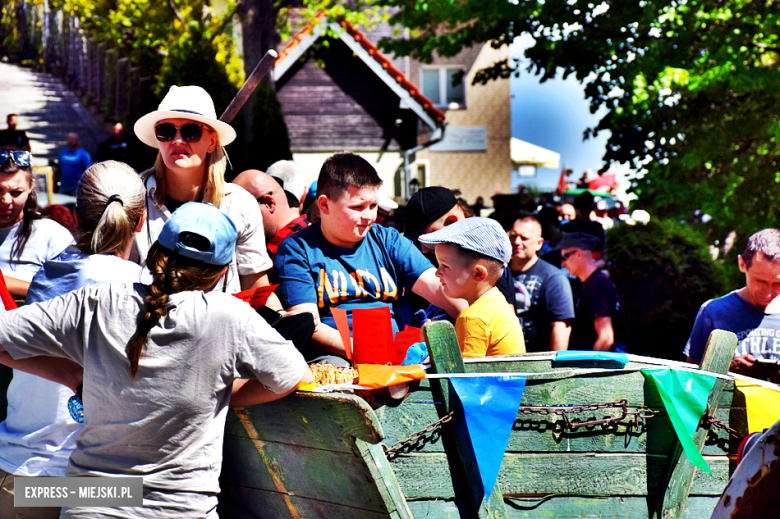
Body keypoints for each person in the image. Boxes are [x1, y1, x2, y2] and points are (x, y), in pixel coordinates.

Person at [0, 202, 311, 518]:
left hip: (82, 499)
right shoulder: (230, 316)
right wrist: (220, 396)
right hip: (178, 509)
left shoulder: (96, 302)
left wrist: (72, 376)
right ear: (221, 272)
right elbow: (293, 374)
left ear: (154, 254)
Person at [0, 160, 149, 519]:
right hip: (100, 482)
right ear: (140, 223)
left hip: (22, 473)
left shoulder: (45, 276)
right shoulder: (143, 291)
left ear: (78, 216)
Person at [272, 152, 466, 361]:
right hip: (338, 357)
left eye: (373, 206)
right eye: (358, 207)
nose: (369, 216)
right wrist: (366, 352)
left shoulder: (387, 240)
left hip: (399, 354)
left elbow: (438, 287)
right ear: (324, 205)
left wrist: (473, 319)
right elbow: (309, 326)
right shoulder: (297, 250)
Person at [131, 85, 278, 301]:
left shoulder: (240, 204)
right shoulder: (133, 199)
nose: (177, 140)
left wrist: (283, 318)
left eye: (191, 131)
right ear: (157, 140)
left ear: (211, 142)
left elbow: (255, 288)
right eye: (166, 131)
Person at [419, 217, 525, 357]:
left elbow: (462, 376)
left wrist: (434, 343)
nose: (437, 273)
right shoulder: (498, 303)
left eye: (445, 266)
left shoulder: (472, 318)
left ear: (478, 273)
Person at [685, 229, 780, 382]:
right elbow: (691, 378)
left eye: (777, 283)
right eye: (760, 281)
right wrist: (727, 368)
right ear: (742, 264)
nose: (768, 292)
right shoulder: (714, 311)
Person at [0, 148, 73, 299]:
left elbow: (71, 294)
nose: (6, 201)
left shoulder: (52, 235)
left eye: (16, 192)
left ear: (30, 187)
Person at [509, 215, 575, 351]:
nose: (516, 242)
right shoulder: (497, 273)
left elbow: (561, 328)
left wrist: (552, 369)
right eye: (513, 236)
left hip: (535, 363)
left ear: (539, 243)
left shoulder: (553, 278)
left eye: (524, 238)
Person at [561, 232, 628, 351]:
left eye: (565, 256)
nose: (563, 263)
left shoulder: (597, 285)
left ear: (579, 254)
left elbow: (606, 338)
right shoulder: (588, 284)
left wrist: (588, 368)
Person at [232, 169, 309, 260]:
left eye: (240, 212)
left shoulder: (289, 252)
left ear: (268, 204)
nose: (234, 222)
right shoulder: (312, 237)